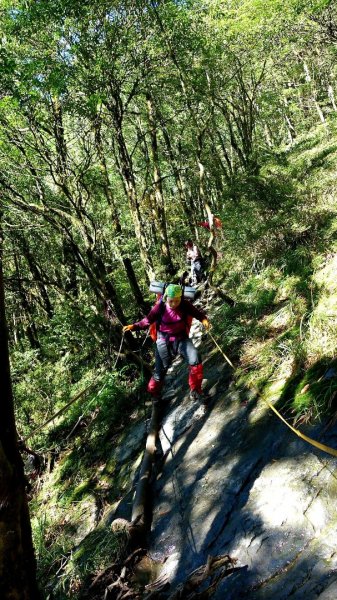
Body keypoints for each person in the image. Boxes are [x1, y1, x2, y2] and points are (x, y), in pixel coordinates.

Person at [123, 284, 210, 404]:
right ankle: (154, 394)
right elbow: (147, 320)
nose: (174, 304)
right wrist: (134, 326)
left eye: (177, 301)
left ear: (181, 298)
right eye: (171, 301)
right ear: (166, 298)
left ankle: (195, 390)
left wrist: (204, 319)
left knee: (195, 358)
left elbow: (197, 313)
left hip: (181, 339)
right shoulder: (160, 307)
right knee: (160, 371)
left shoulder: (185, 305)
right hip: (163, 341)